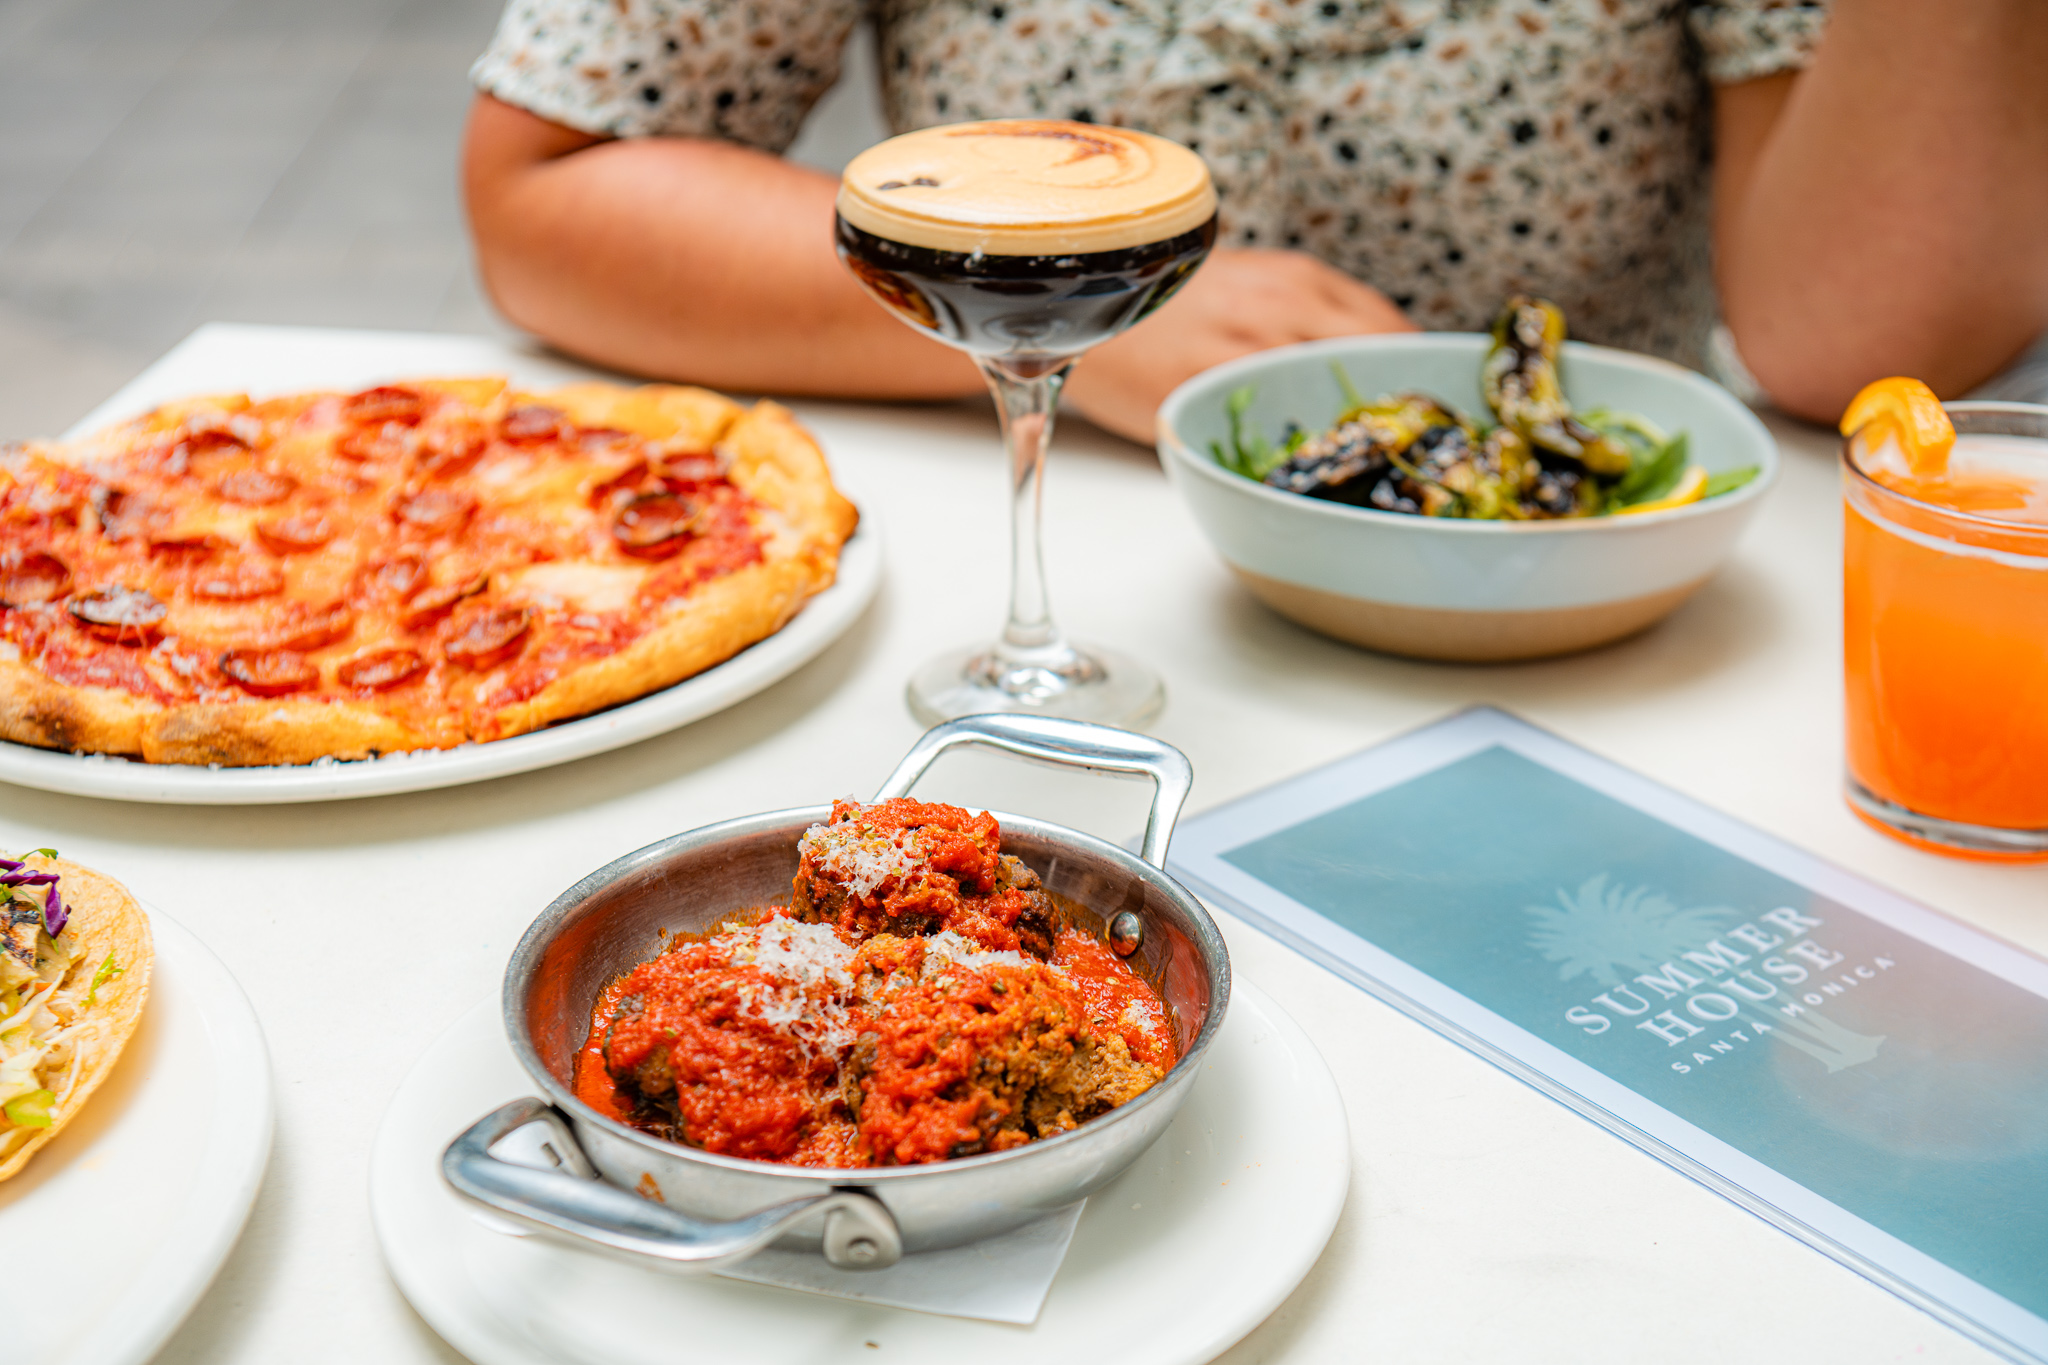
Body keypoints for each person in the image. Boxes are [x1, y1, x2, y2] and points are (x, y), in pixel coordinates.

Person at [460, 0, 2048, 443]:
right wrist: (1052, 313)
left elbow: (1859, 339)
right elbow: (550, 189)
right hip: (1056, 577)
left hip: (1585, 613)